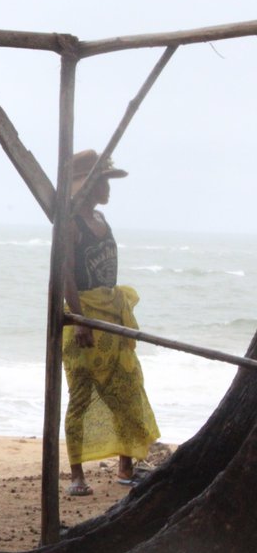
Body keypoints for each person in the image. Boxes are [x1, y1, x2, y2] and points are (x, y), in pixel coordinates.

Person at [62, 150, 160, 496]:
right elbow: (66, 276)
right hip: (85, 318)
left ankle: (125, 468)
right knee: (82, 395)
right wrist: (80, 321)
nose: (108, 188)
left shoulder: (102, 220)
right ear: (88, 186)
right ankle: (77, 476)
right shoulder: (71, 224)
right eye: (104, 181)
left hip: (112, 316)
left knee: (127, 389)